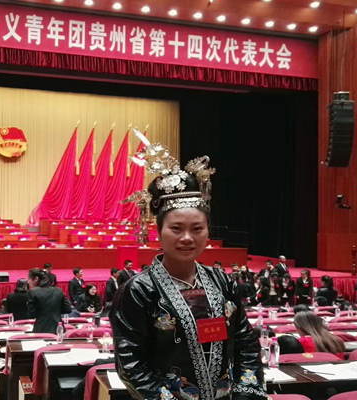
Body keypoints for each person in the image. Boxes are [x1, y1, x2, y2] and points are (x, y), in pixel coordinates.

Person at [110, 152, 266, 400]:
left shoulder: (221, 281)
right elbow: (132, 365)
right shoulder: (138, 291)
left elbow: (245, 342)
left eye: (197, 229)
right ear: (159, 232)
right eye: (176, 228)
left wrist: (246, 395)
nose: (187, 238)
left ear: (207, 232)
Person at [27, 268, 72, 334]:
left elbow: (31, 314)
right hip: (58, 328)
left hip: (41, 329)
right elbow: (68, 309)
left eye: (29, 279)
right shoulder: (58, 290)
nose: (28, 282)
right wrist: (55, 311)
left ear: (36, 279)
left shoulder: (33, 292)